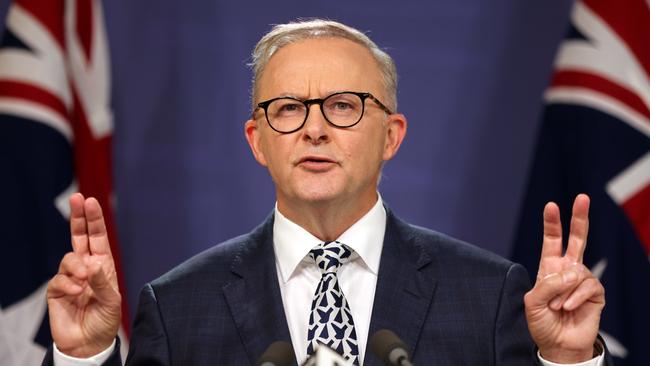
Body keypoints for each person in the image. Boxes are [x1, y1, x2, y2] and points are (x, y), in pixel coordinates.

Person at [43, 19, 609, 366]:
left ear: (391, 136)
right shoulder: (179, 306)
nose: (314, 129)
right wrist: (83, 356)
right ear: (257, 141)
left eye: (343, 106)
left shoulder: (488, 296)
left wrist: (566, 361)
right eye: (287, 108)